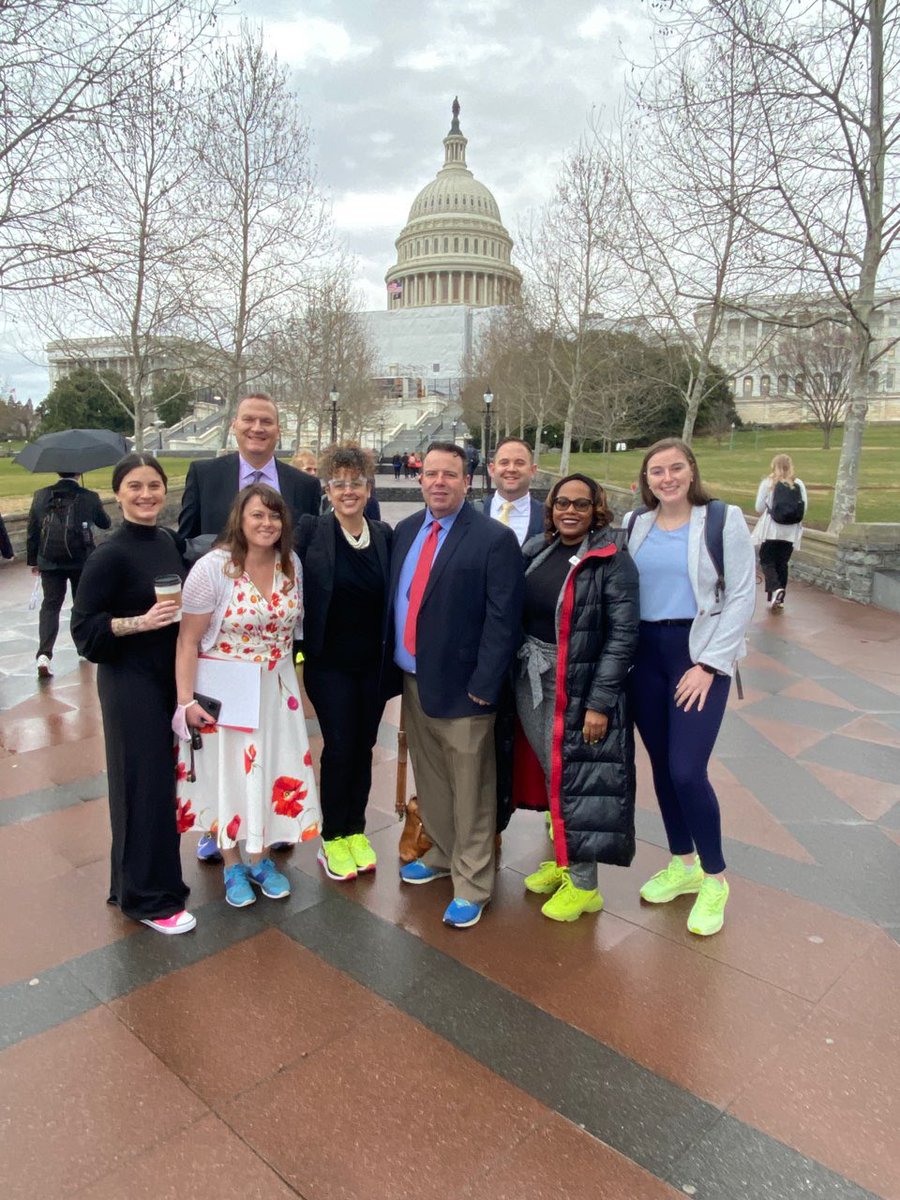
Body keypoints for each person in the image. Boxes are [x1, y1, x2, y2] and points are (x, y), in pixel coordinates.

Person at [178, 392, 320, 862]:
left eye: (268, 421)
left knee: (270, 763)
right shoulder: (206, 477)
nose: (258, 428)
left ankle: (262, 839)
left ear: (279, 429)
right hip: (225, 675)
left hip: (276, 681)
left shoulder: (299, 500)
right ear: (235, 426)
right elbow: (184, 544)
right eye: (249, 420)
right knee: (229, 768)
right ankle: (226, 844)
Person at [625, 437, 755, 937]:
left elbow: (742, 596)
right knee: (660, 765)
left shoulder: (723, 519)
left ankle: (715, 877)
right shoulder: (637, 524)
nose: (666, 478)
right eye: (656, 471)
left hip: (696, 656)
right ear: (646, 479)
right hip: (646, 657)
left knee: (686, 768)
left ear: (691, 471)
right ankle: (683, 863)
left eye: (675, 468)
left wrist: (708, 665)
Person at [390, 441, 523, 928]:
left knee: (471, 790)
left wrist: (485, 684)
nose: (439, 482)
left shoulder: (491, 538)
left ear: (468, 481)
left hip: (467, 689)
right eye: (431, 473)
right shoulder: (405, 531)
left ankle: (473, 882)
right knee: (433, 780)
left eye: (450, 474)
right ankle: (444, 853)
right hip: (414, 680)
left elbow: (502, 619)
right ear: (420, 478)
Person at [71, 454, 194, 935]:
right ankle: (150, 900)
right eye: (135, 487)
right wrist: (139, 622)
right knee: (142, 786)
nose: (146, 495)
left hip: (165, 676)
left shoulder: (167, 540)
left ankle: (129, 882)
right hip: (128, 680)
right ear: (117, 493)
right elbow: (84, 631)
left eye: (155, 486)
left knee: (157, 784)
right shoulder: (109, 554)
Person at [515, 474, 640, 921]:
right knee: (554, 776)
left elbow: (623, 636)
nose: (570, 511)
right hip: (532, 679)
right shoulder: (538, 551)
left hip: (579, 686)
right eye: (562, 503)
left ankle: (586, 885)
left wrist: (598, 703)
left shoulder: (612, 561)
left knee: (577, 780)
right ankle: (567, 860)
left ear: (596, 511)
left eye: (581, 505)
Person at [295, 445, 396, 882]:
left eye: (357, 482)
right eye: (340, 483)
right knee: (339, 748)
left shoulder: (385, 535)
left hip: (372, 666)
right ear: (327, 489)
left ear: (369, 488)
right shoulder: (310, 531)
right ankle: (333, 837)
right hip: (329, 664)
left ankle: (356, 829)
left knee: (365, 746)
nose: (349, 490)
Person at [27, 471, 111, 678]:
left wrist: (34, 561)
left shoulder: (40, 495)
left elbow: (33, 530)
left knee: (50, 605)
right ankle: (82, 648)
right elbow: (105, 523)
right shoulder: (88, 496)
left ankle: (44, 654)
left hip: (49, 560)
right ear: (78, 472)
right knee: (80, 604)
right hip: (80, 560)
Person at [752, 453, 808, 612]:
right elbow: (805, 507)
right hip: (791, 532)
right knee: (782, 563)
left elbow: (759, 507)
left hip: (771, 529)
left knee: (767, 560)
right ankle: (779, 598)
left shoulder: (768, 483)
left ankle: (775, 589)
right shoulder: (798, 484)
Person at [482, 436, 544, 547]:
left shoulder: (549, 518)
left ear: (532, 470)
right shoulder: (471, 513)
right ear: (492, 470)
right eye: (504, 462)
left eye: (519, 463)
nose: (511, 469)